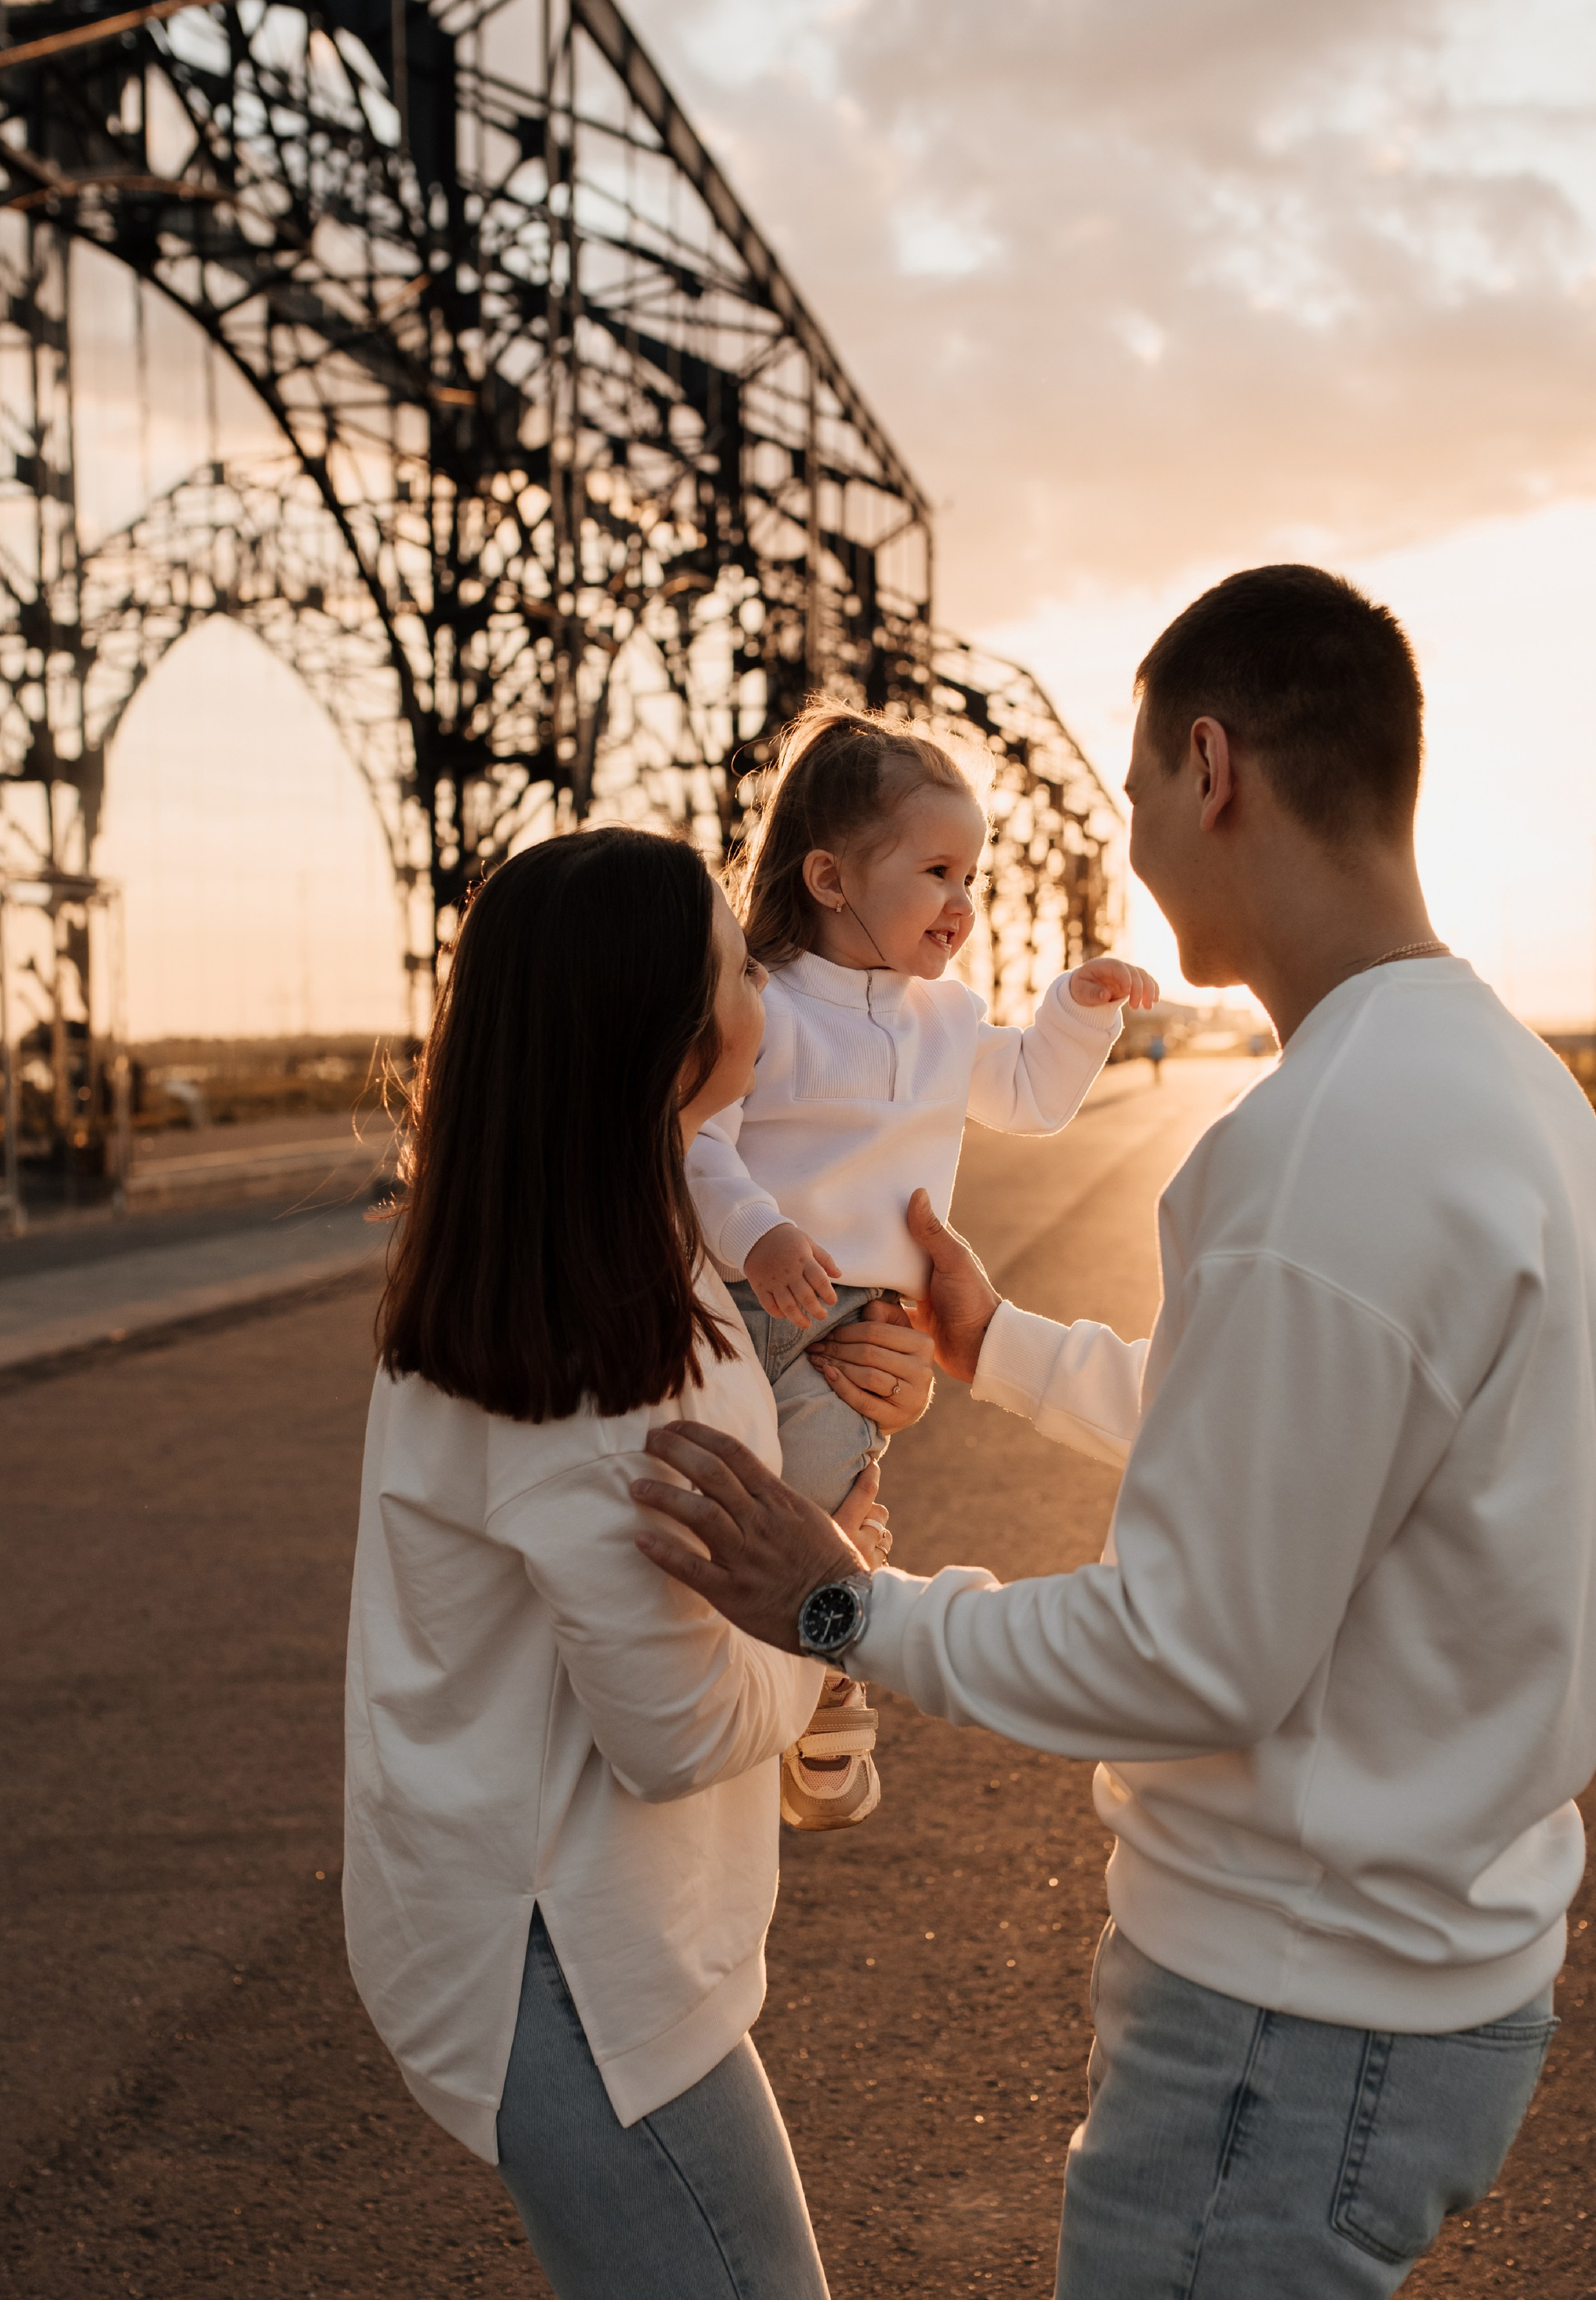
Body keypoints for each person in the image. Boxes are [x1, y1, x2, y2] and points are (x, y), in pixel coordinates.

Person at [631, 566, 1596, 2298]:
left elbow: (1194, 1648)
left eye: (1131, 799)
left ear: (1210, 765)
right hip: (1429, 1965)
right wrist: (998, 1344)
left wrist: (841, 1610)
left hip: (1287, 2016)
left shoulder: (1326, 1139)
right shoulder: (1499, 1083)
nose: (1131, 846)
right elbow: (1306, 1443)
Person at [341, 826, 932, 2300]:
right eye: (736, 962)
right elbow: (672, 1728)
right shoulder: (596, 1365)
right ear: (670, 1043)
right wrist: (833, 1604)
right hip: (570, 1964)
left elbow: (720, 1512)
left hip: (548, 1917)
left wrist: (865, 1394)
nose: (766, 979)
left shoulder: (579, 1254)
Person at [687, 698, 1157, 1827]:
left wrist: (1075, 1012)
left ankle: (822, 1672)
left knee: (815, 1491)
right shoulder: (764, 1003)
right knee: (731, 1494)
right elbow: (699, 1143)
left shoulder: (948, 1021)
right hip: (745, 1287)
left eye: (973, 876)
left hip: (859, 1326)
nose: (963, 901)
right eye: (938, 872)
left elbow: (1033, 1097)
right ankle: (758, 1677)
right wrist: (761, 1230)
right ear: (833, 878)